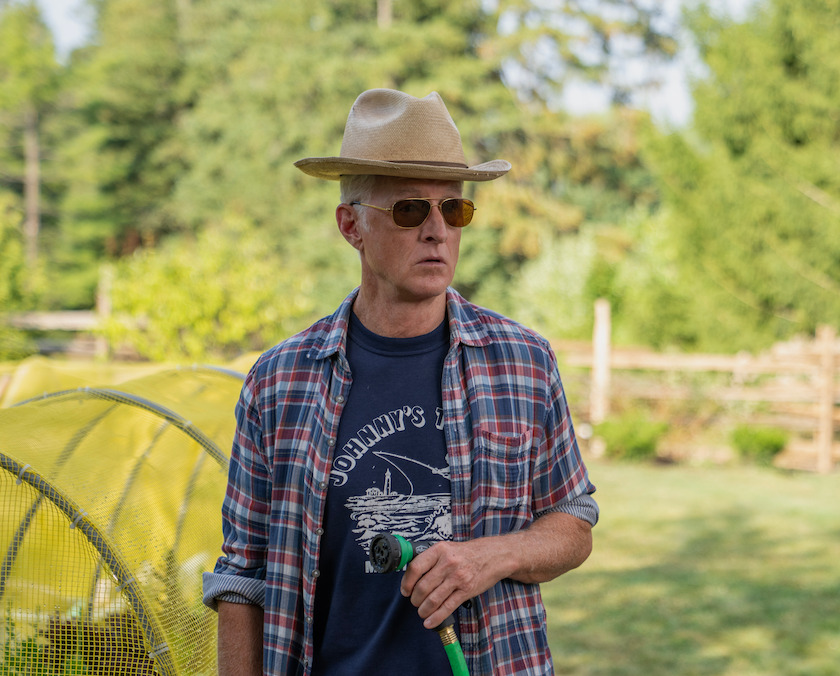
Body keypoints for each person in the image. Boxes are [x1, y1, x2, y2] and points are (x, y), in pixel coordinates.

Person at [202, 89, 598, 676]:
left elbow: (572, 519)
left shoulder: (523, 362)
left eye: (454, 209)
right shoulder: (278, 382)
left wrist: (493, 556)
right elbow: (242, 576)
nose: (437, 229)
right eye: (411, 209)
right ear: (350, 225)